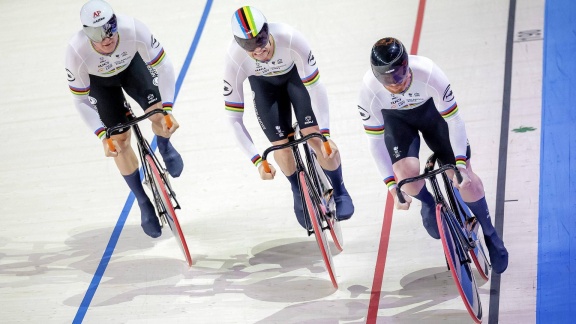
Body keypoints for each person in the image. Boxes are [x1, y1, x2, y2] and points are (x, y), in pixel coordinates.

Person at [356, 37, 508, 274]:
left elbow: (454, 121)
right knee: (405, 178)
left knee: (464, 179)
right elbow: (375, 142)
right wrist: (391, 188)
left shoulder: (429, 72)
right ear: (377, 77)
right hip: (398, 122)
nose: (397, 84)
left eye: (401, 74)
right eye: (388, 80)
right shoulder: (368, 90)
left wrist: (459, 163)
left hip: (433, 117)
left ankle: (490, 233)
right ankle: (428, 203)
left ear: (407, 64)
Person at [223, 6, 354, 229]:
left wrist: (326, 134)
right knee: (280, 148)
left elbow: (315, 87)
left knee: (316, 139)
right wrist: (257, 160)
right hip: (266, 90)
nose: (258, 50)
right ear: (239, 43)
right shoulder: (234, 59)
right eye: (249, 46)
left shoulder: (290, 38)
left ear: (267, 30)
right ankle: (298, 190)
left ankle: (340, 189)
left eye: (261, 40)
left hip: (296, 82)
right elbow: (234, 118)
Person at [65, 0, 183, 238]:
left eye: (110, 28)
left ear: (117, 23)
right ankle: (142, 200)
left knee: (158, 114)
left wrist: (168, 108)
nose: (106, 38)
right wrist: (101, 135)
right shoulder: (76, 51)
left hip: (132, 69)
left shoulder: (134, 29)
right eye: (97, 34)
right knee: (118, 143)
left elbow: (165, 67)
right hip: (101, 84)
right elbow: (81, 100)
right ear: (86, 33)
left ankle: (165, 146)